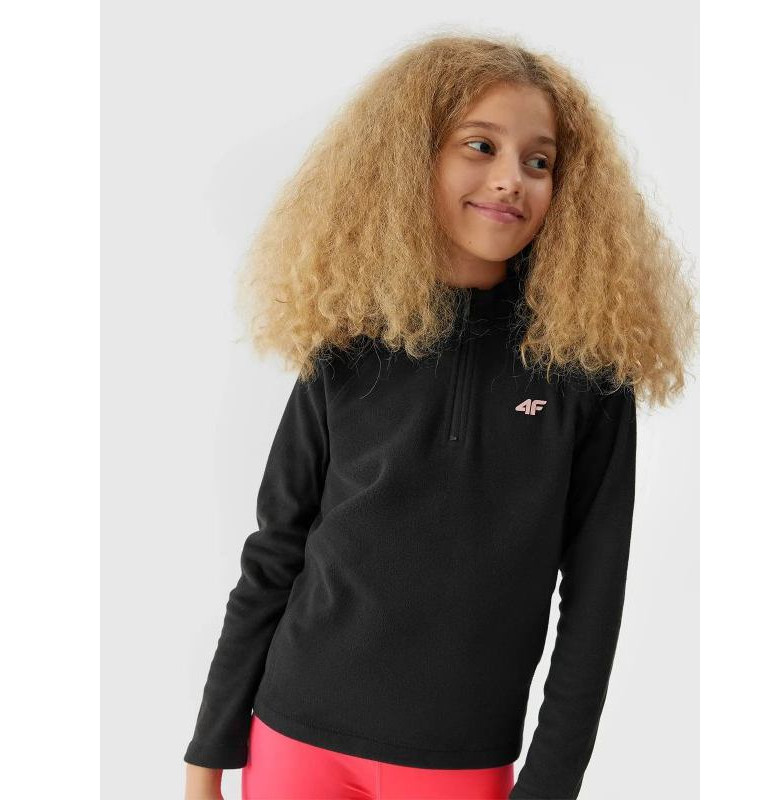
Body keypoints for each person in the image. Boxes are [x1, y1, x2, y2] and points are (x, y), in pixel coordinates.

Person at [184, 32, 698, 800]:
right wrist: (207, 756)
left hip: (460, 762)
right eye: (480, 146)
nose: (510, 178)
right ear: (411, 159)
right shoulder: (349, 342)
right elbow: (275, 552)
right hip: (294, 737)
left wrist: (549, 784)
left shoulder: (585, 369)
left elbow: (594, 601)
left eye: (539, 161)